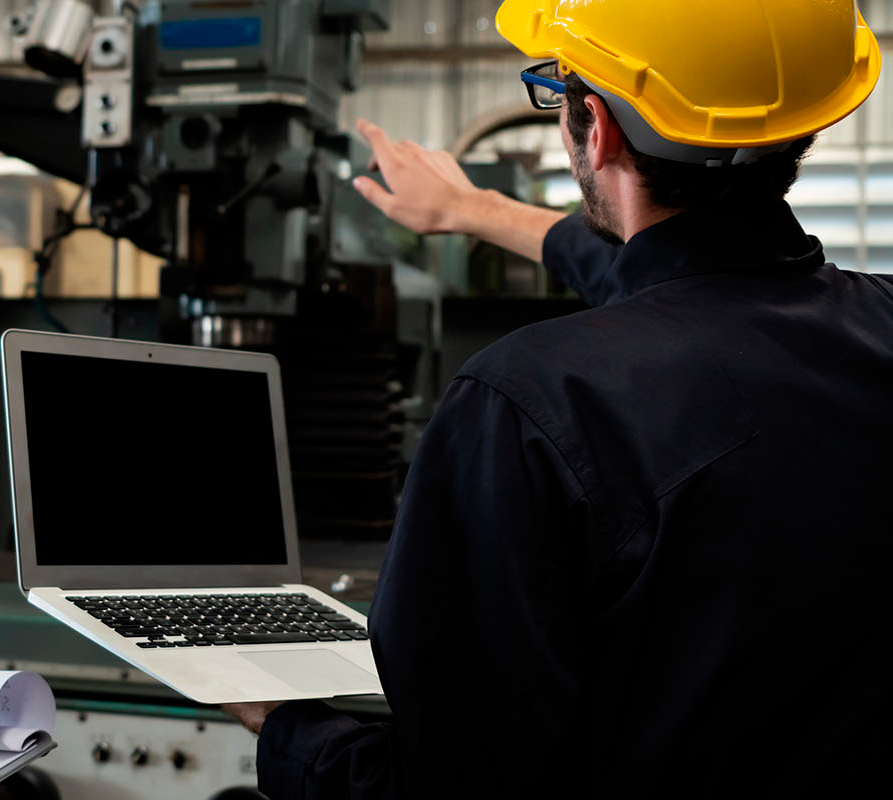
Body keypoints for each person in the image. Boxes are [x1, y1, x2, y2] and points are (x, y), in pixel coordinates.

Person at [225, 0, 893, 796]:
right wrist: (469, 209)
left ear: (597, 126)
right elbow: (695, 284)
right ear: (805, 123)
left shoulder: (526, 404)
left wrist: (285, 725)